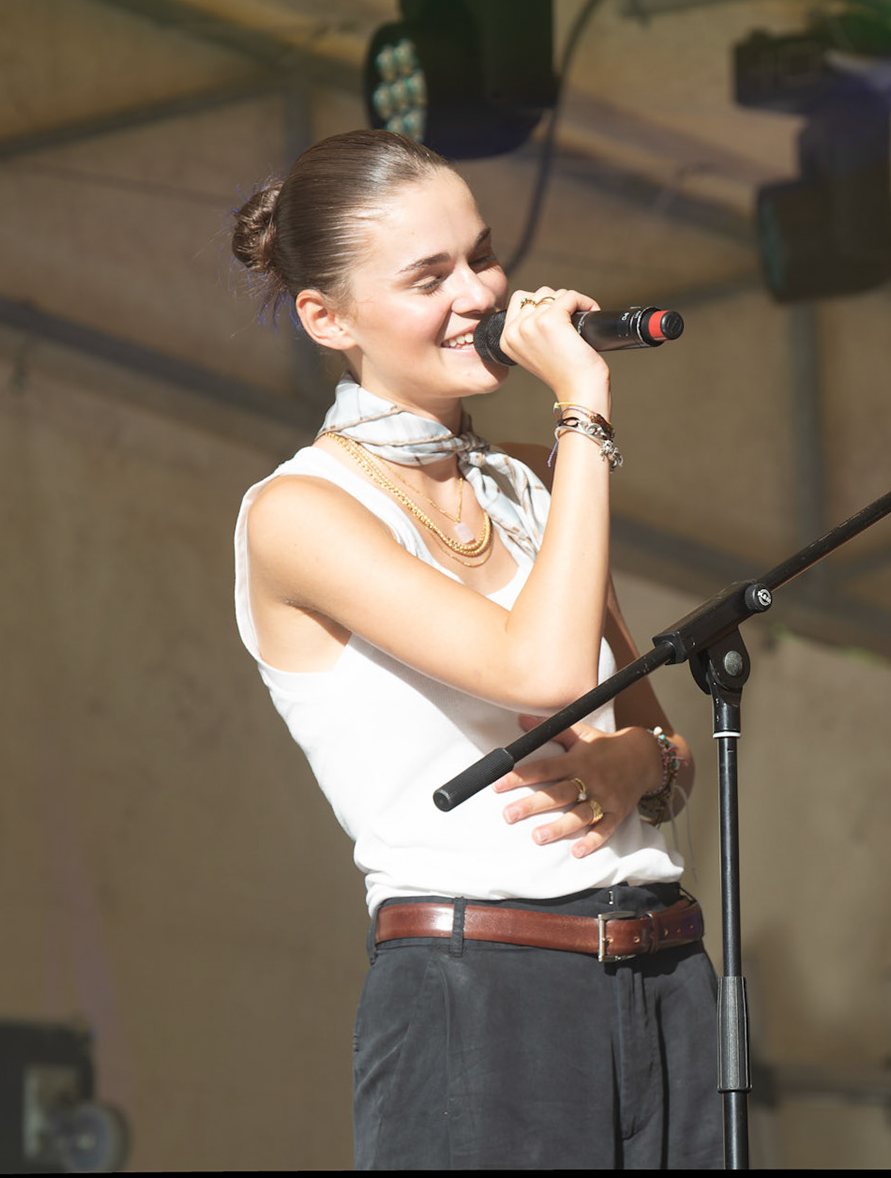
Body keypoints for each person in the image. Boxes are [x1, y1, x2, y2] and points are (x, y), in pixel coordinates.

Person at [230, 128, 719, 1169]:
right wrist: (583, 408)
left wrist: (648, 762)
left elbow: (654, 731)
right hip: (485, 991)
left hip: (665, 967)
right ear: (328, 317)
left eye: (483, 255)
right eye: (429, 276)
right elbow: (539, 672)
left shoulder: (533, 481)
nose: (482, 293)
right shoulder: (300, 511)